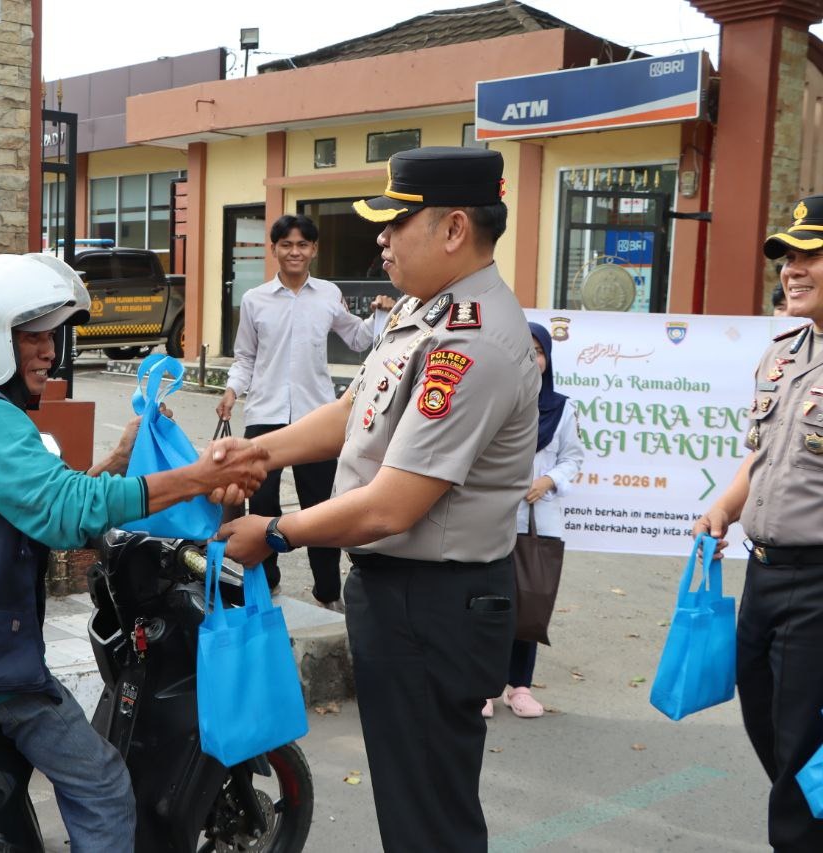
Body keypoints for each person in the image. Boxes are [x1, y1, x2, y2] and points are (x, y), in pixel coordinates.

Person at [0, 254, 268, 853]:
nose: (48, 352)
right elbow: (67, 512)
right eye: (32, 336)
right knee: (103, 782)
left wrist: (116, 462)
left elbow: (31, 502)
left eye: (51, 336)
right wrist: (196, 478)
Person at [219, 147, 539, 852]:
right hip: (404, 596)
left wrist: (275, 531)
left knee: (428, 816)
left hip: (432, 602)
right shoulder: (425, 313)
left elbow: (394, 504)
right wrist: (257, 451)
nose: (381, 238)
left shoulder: (475, 340)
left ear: (453, 229)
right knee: (411, 797)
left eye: (396, 221)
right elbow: (352, 409)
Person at [692, 195, 823, 853]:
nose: (793, 269)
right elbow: (762, 455)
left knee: (804, 746)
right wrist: (724, 506)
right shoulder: (784, 351)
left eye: (812, 254)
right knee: (768, 726)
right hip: (762, 576)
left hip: (818, 585)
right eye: (788, 256)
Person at [217, 214, 392, 607]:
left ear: (313, 250)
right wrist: (231, 391)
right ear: (274, 249)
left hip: (317, 418)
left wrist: (381, 314)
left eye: (302, 245)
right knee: (261, 505)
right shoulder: (254, 300)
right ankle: (267, 581)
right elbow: (245, 356)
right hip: (264, 414)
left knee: (321, 508)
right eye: (286, 245)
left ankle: (328, 592)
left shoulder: (328, 294)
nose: (294, 252)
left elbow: (359, 337)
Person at [484, 322, 584, 720]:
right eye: (523, 350)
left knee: (529, 603)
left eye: (538, 351)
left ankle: (519, 687)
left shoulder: (561, 409)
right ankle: (485, 686)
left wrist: (548, 481)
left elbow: (573, 458)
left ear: (547, 359)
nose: (531, 358)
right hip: (490, 519)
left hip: (537, 524)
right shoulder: (491, 401)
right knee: (488, 604)